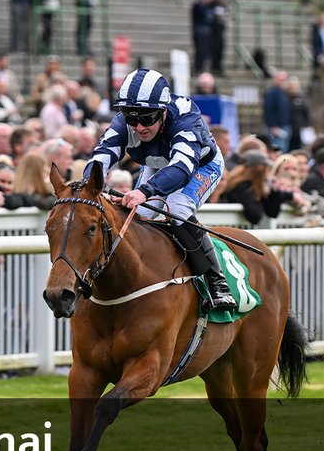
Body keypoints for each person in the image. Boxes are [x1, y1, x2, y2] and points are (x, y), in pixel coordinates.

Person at [88, 68, 236, 311]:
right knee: (141, 218)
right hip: (157, 163)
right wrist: (89, 187)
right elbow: (101, 156)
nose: (139, 127)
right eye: (131, 118)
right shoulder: (125, 123)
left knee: (175, 208)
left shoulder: (186, 119)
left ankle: (216, 281)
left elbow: (182, 168)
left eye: (147, 119)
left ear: (163, 112)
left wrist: (144, 191)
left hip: (199, 165)